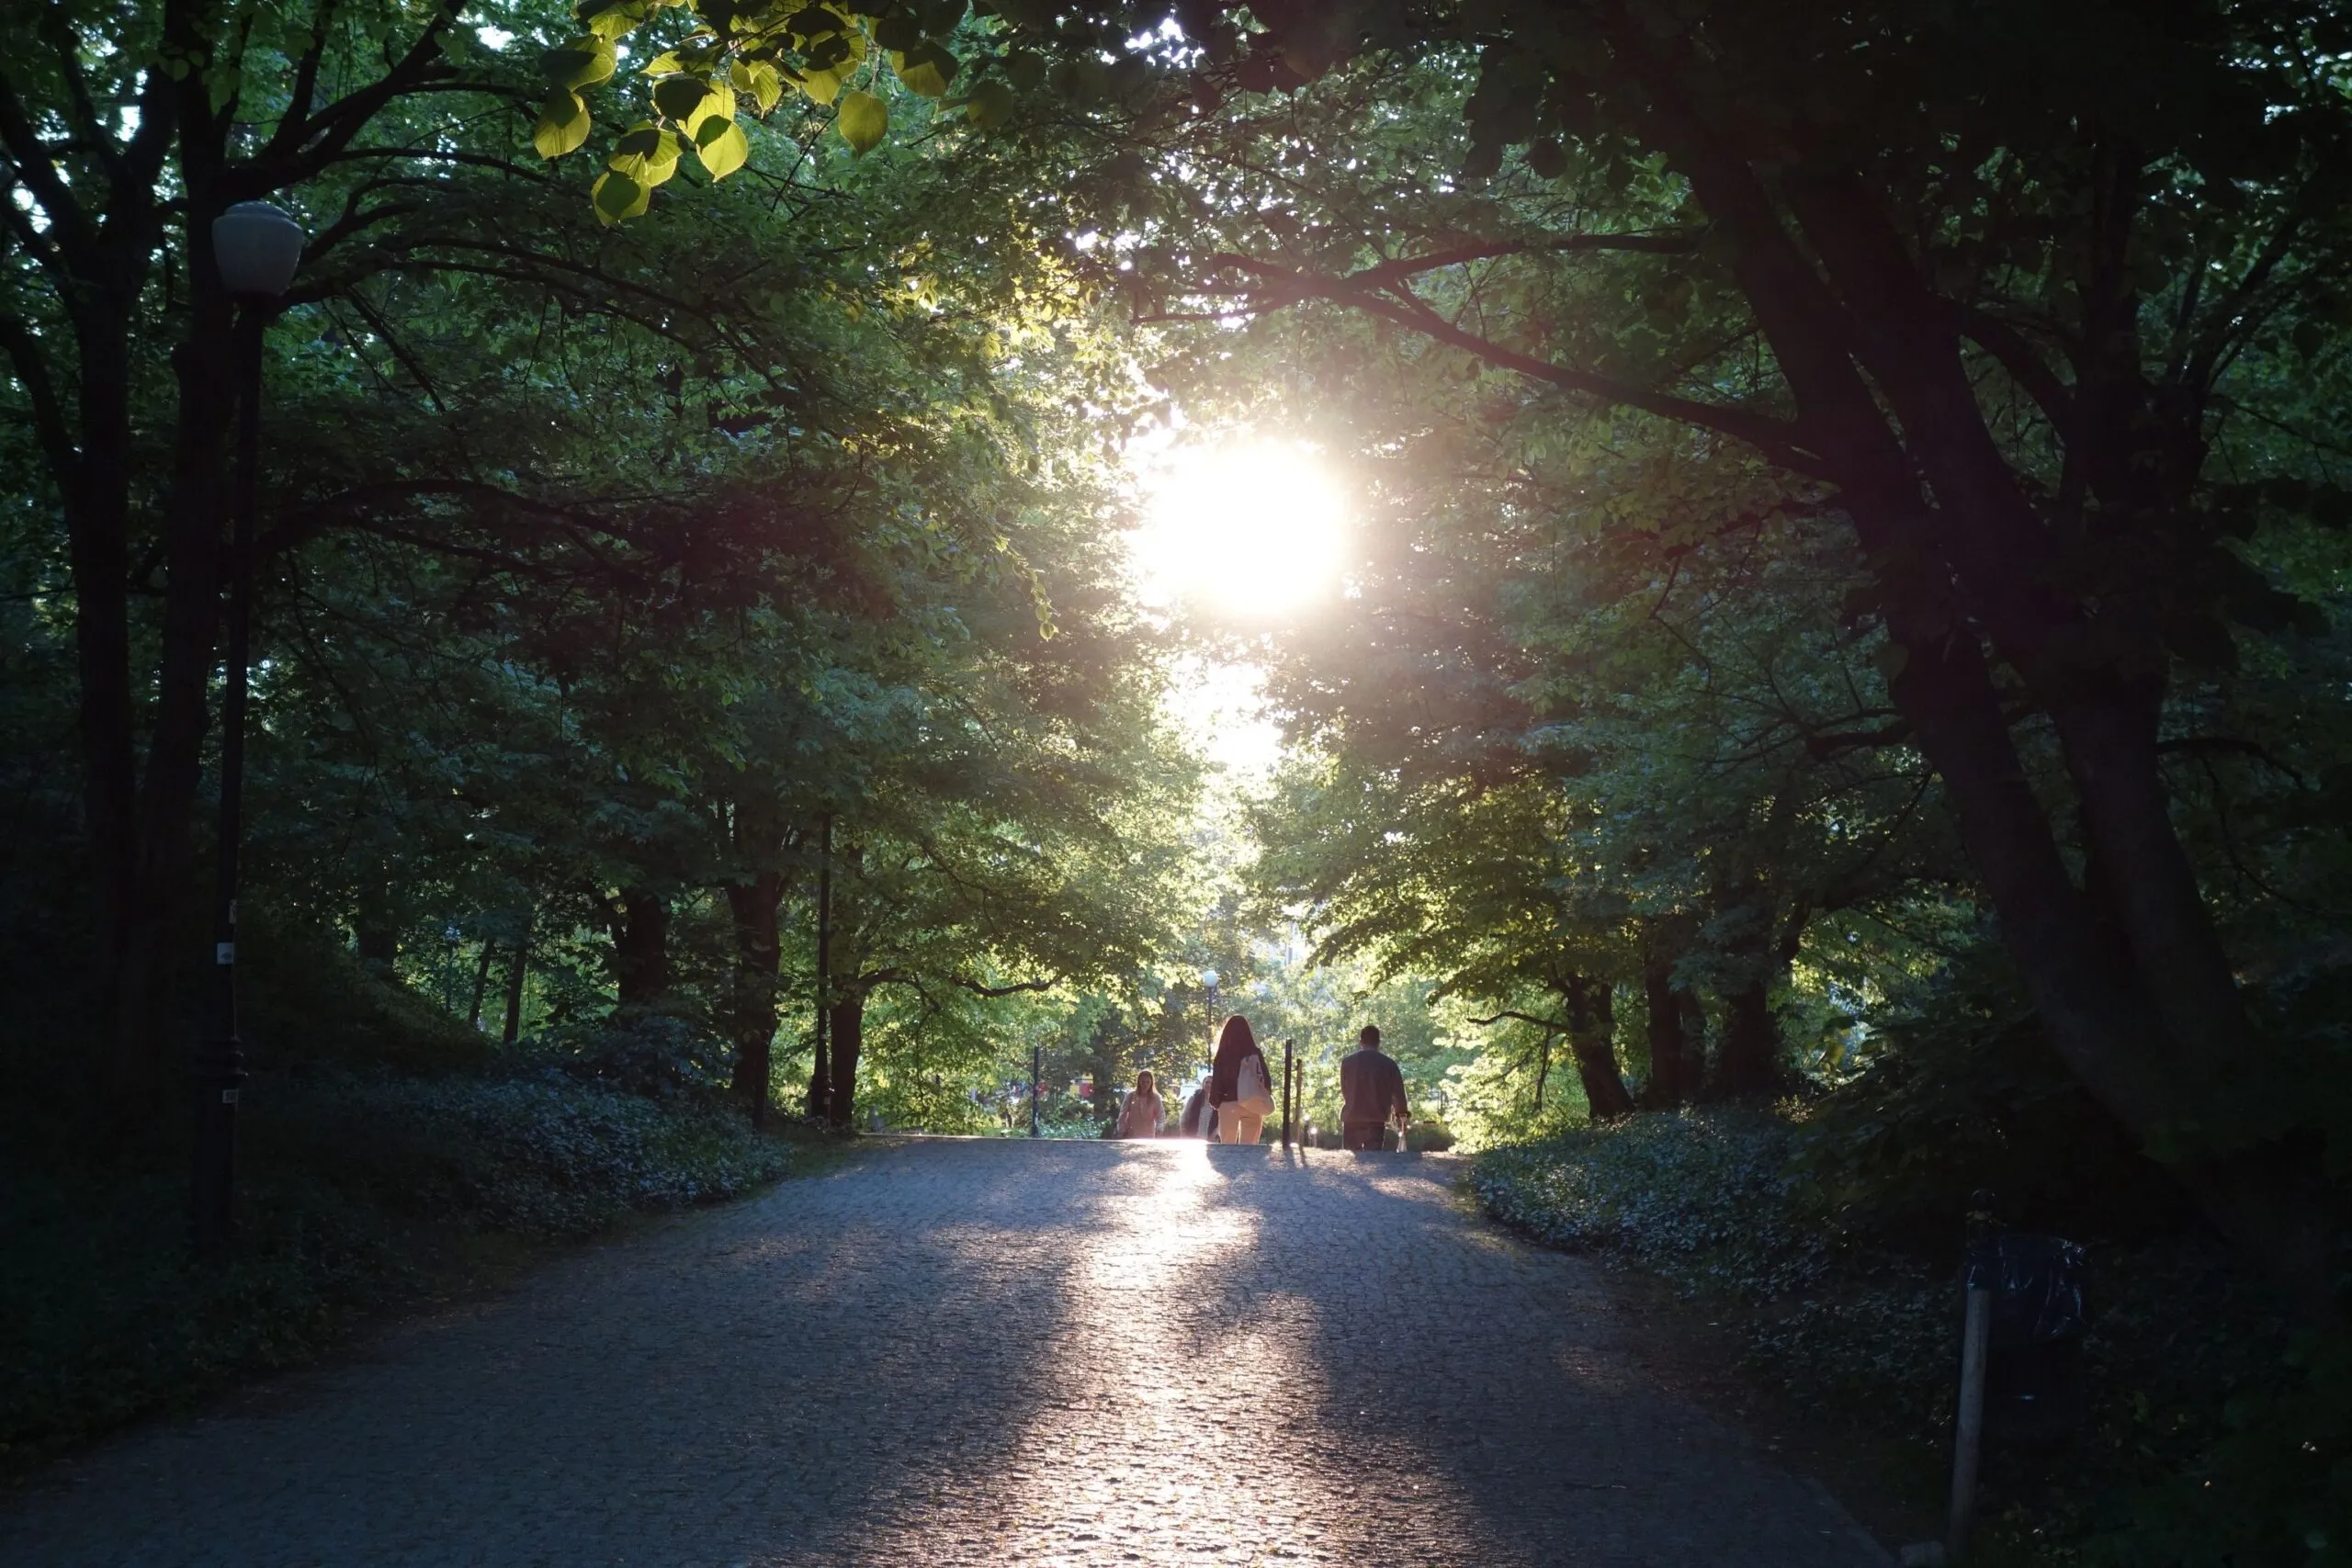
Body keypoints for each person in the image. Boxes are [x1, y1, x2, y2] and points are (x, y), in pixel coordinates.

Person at [1207, 1015, 1276, 1145]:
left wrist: (1216, 1101)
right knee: (1249, 1149)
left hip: (1229, 1103)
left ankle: (1229, 1167)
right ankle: (1248, 1167)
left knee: (1227, 1149)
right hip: (1252, 1102)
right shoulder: (1254, 1052)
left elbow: (1217, 1081)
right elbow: (1265, 1079)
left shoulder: (1223, 1053)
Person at [1340, 1024, 1409, 1150]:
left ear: (1361, 1042)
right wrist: (1401, 1116)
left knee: (1350, 1163)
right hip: (1376, 1119)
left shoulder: (1347, 1063)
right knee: (1374, 1159)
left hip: (1352, 1117)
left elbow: (1345, 1090)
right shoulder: (1389, 1064)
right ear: (1378, 1043)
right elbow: (1398, 1094)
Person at [1116, 1069, 1163, 1139]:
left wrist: (1159, 1129)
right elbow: (1122, 1115)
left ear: (1151, 1083)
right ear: (1139, 1082)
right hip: (1131, 1135)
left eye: (1148, 1082)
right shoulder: (1131, 1096)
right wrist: (1121, 1131)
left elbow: (1161, 1116)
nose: (1145, 1084)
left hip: (1149, 1136)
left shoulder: (1155, 1098)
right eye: (1143, 1082)